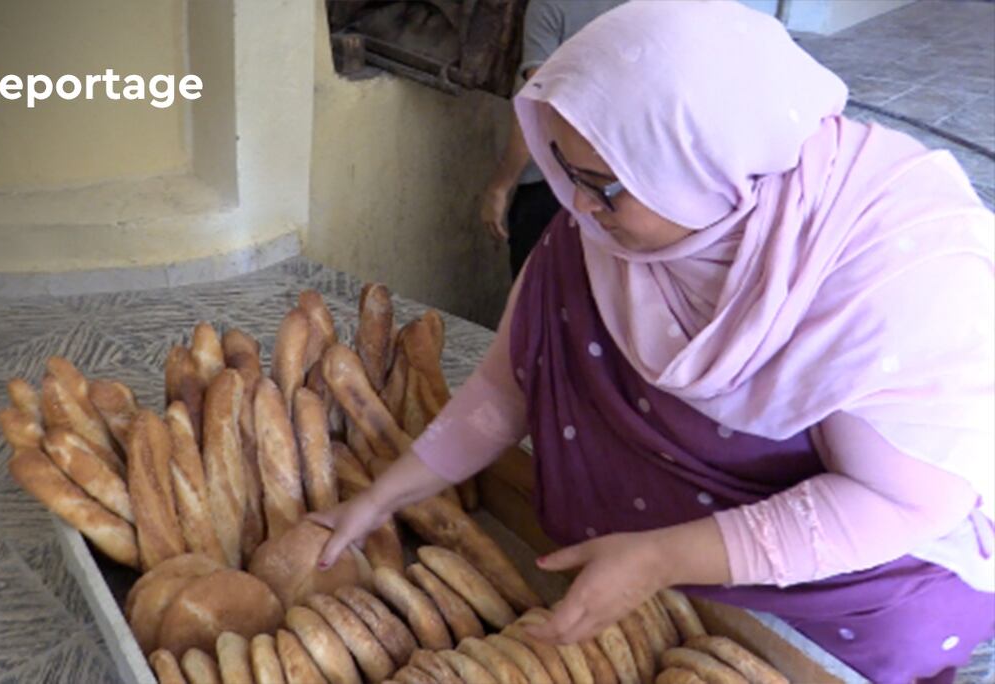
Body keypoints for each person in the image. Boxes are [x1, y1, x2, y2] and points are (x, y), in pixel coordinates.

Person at [316, 2, 995, 682]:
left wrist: (662, 559)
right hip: (641, 559)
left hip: (844, 584)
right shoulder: (596, 240)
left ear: (702, 170)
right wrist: (382, 497)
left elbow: (896, 502)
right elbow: (504, 390)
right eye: (565, 172)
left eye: (603, 187)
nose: (576, 208)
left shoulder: (891, 272)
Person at [480, 0, 624, 278]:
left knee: (539, 303)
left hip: (552, 186)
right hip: (623, 190)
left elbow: (539, 105)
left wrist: (499, 187)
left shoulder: (551, 6)